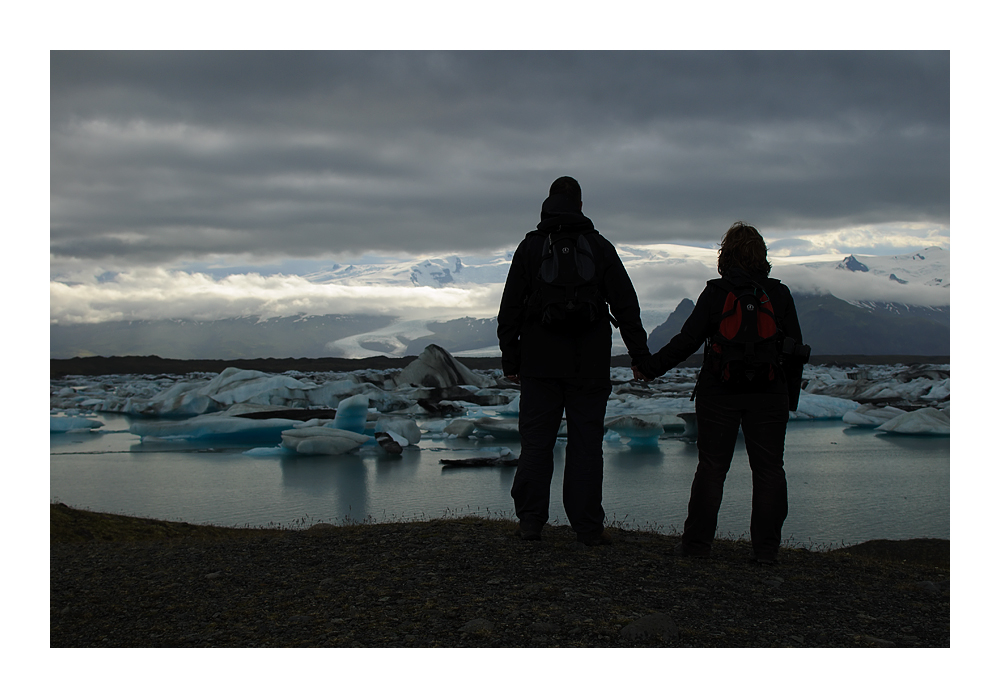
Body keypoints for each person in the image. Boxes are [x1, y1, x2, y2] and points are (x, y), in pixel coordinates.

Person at [634, 222, 806, 564]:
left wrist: (650, 367)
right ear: (762, 255)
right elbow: (796, 349)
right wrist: (787, 395)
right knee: (770, 470)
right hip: (769, 394)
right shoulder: (779, 294)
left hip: (719, 392)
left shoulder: (716, 292)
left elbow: (687, 341)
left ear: (725, 255)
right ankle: (767, 552)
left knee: (712, 468)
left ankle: (697, 547)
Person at [497, 176, 652, 546]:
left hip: (539, 365)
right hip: (590, 365)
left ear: (547, 203)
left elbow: (510, 309)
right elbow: (626, 305)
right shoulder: (599, 246)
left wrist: (510, 359)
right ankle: (587, 528)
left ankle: (531, 524)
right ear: (580, 205)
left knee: (536, 444)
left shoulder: (531, 247)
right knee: (585, 446)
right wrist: (639, 355)